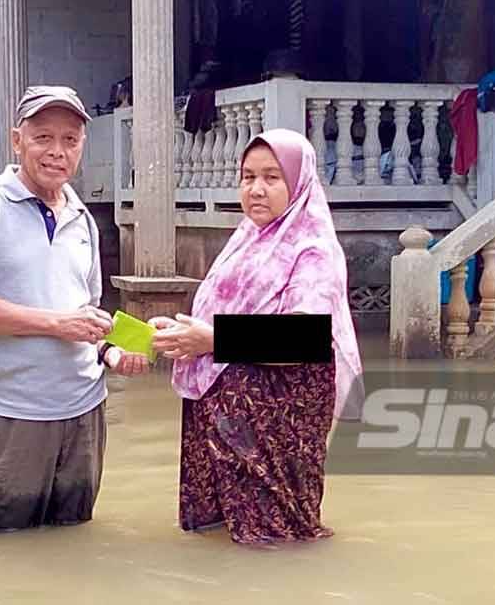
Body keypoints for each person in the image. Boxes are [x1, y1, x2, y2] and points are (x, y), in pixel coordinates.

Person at [0, 85, 149, 532]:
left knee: (73, 540)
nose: (58, 152)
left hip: (85, 413)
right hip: (12, 412)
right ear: (18, 141)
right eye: (43, 138)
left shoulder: (83, 219)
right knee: (0, 543)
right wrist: (59, 324)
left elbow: (87, 314)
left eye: (70, 140)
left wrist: (115, 350)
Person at [151, 128, 364, 545]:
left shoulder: (314, 250)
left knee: (274, 535)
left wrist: (211, 340)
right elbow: (222, 311)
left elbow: (304, 340)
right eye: (247, 177)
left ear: (298, 182)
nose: (256, 189)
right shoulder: (247, 237)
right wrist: (179, 333)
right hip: (222, 405)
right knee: (218, 535)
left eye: (271, 177)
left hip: (276, 416)